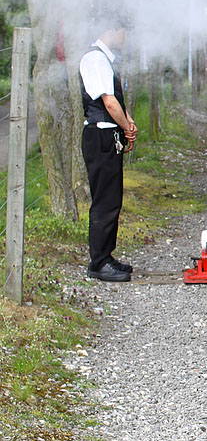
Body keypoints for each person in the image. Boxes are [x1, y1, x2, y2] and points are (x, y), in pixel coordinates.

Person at [79, 17, 137, 282]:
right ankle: (98, 262)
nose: (125, 36)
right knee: (104, 200)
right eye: (124, 30)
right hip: (100, 135)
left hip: (107, 134)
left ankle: (106, 255)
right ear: (112, 30)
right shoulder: (95, 59)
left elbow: (116, 102)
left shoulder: (104, 59)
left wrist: (128, 123)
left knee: (112, 198)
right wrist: (126, 127)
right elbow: (109, 103)